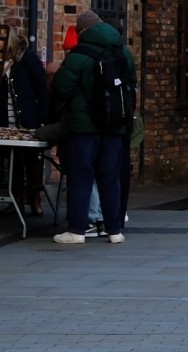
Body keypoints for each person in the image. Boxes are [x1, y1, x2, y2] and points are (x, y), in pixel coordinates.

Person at [48, 15, 136, 245]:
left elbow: (61, 88)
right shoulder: (123, 52)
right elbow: (131, 85)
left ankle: (77, 230)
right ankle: (114, 230)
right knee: (110, 177)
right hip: (114, 126)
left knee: (81, 176)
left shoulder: (78, 55)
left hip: (83, 128)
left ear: (82, 31)